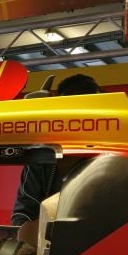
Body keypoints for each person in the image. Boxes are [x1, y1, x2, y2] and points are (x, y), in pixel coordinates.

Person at [10, 73, 102, 226]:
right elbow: (24, 211)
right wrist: (20, 242)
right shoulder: (43, 158)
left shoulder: (115, 155)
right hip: (50, 244)